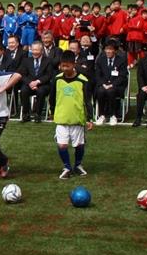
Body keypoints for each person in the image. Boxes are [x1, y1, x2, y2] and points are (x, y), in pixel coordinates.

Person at [48, 50, 94, 180]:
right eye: (63, 66)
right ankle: (67, 167)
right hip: (61, 117)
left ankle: (78, 165)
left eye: (67, 65)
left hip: (77, 118)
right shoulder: (57, 79)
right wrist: (52, 111)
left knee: (79, 145)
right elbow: (52, 97)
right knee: (62, 145)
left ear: (74, 64)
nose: (65, 68)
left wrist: (90, 118)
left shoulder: (82, 80)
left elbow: (87, 100)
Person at [18, 41, 54, 123]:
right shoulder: (26, 61)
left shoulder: (48, 61)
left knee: (41, 91)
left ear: (41, 51)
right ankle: (26, 114)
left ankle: (38, 115)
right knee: (23, 91)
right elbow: (22, 75)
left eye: (37, 50)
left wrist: (37, 82)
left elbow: (49, 75)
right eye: (33, 50)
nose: (35, 52)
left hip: (43, 84)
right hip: (29, 84)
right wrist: (30, 83)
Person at [94, 40, 127, 126]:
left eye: (110, 49)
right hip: (103, 84)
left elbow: (122, 76)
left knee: (111, 91)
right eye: (106, 49)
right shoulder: (100, 60)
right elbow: (98, 75)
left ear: (115, 50)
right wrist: (103, 84)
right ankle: (102, 115)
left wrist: (112, 85)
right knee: (100, 91)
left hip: (116, 85)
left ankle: (113, 115)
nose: (108, 51)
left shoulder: (121, 60)